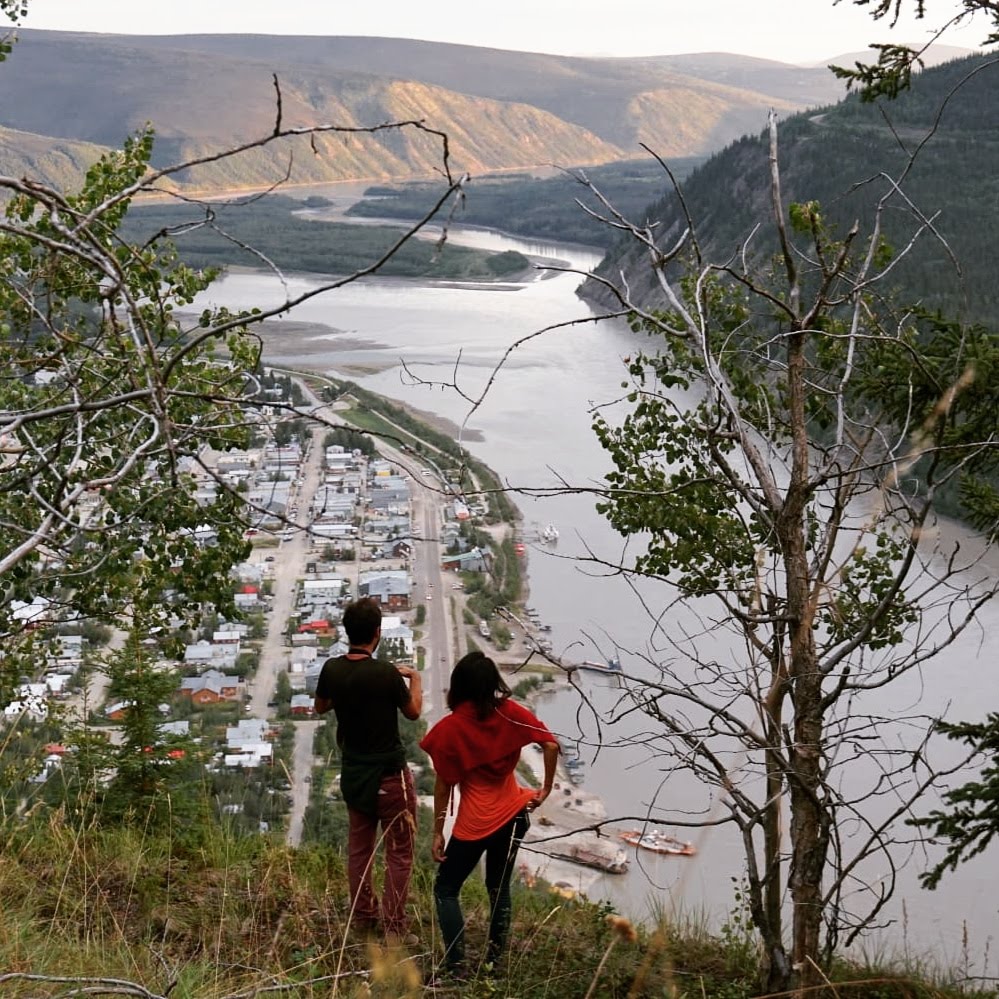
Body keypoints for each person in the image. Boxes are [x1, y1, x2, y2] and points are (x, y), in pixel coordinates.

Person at [420, 651, 560, 977]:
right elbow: (550, 745)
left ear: (459, 686)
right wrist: (545, 790)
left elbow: (443, 788)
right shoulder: (510, 713)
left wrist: (437, 831)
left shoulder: (451, 728)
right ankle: (494, 963)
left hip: (476, 823)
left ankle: (456, 966)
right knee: (499, 888)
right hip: (515, 813)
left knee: (446, 889)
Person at [313, 596, 422, 940]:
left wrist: (345, 693)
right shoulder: (386, 674)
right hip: (390, 776)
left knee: (360, 851)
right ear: (377, 633)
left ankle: (363, 919)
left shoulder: (332, 669)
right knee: (399, 854)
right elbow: (414, 712)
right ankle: (393, 928)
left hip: (355, 774)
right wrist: (414, 678)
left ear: (347, 632)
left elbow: (320, 707)